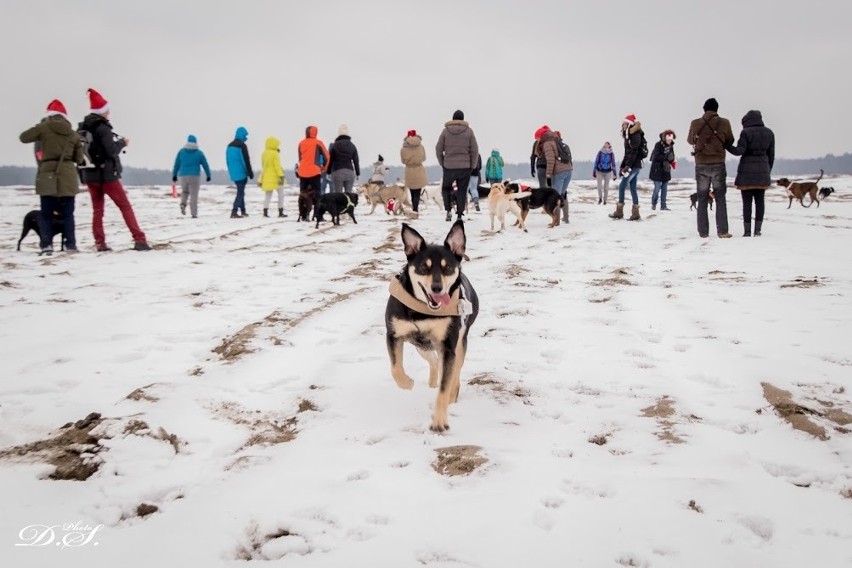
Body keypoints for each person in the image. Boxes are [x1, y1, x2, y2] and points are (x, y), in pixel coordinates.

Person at [78, 88, 151, 251]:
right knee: (125, 206)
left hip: (90, 175)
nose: (109, 113)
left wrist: (82, 176)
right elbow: (110, 150)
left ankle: (100, 243)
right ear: (102, 111)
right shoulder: (103, 128)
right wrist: (122, 143)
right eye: (107, 110)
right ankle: (139, 239)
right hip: (107, 175)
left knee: (97, 210)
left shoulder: (83, 128)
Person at [19, 99, 84, 255]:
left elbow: (23, 137)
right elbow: (79, 159)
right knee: (68, 214)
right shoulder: (72, 134)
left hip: (47, 172)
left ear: (49, 115)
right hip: (67, 174)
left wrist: (40, 130)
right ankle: (71, 245)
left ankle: (47, 245)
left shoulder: (43, 128)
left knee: (46, 214)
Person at [687, 98, 735, 238]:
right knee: (720, 197)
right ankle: (723, 231)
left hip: (701, 164)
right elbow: (730, 140)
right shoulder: (724, 122)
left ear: (704, 109)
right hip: (718, 163)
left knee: (702, 198)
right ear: (717, 109)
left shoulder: (695, 123)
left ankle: (703, 231)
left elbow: (690, 140)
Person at [725, 110, 775, 237]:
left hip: (746, 174)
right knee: (760, 202)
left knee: (746, 203)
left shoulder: (746, 132)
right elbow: (771, 155)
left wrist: (727, 146)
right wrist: (767, 171)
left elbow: (739, 151)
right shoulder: (769, 133)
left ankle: (747, 232)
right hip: (763, 171)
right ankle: (757, 230)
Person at [436, 109, 479, 222]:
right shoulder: (469, 131)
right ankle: (459, 214)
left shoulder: (445, 132)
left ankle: (448, 211)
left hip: (449, 166)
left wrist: (443, 163)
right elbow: (475, 150)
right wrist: (472, 165)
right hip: (465, 167)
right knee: (462, 190)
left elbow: (438, 149)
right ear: (463, 119)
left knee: (446, 188)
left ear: (453, 118)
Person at [609, 114, 645, 221]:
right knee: (633, 188)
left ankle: (619, 211)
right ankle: (635, 213)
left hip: (634, 166)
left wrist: (628, 166)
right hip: (631, 165)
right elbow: (627, 153)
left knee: (622, 186)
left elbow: (634, 152)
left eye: (625, 124)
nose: (623, 126)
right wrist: (622, 166)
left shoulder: (635, 135)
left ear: (629, 124)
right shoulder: (628, 136)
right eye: (623, 124)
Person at [171, 134, 211, 219]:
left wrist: (174, 175)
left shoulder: (181, 152)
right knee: (194, 195)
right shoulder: (199, 153)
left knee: (185, 191)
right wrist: (208, 175)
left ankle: (183, 203)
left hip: (182, 175)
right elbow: (205, 164)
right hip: (194, 176)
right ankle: (194, 213)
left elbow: (176, 164)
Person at [296, 125, 330, 222]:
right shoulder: (318, 143)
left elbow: (300, 158)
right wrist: (323, 168)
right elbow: (327, 157)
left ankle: (304, 215)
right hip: (315, 172)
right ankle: (318, 215)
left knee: (304, 194)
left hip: (302, 172)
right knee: (317, 194)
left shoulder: (301, 143)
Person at [538, 129, 572, 223]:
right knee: (562, 195)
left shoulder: (548, 144)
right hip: (568, 171)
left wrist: (548, 174)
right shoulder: (558, 142)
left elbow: (550, 160)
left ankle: (556, 221)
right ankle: (565, 218)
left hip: (559, 172)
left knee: (555, 196)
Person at [226, 126, 253, 218]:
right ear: (242, 135)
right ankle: (234, 211)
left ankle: (243, 211)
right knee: (240, 192)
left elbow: (228, 161)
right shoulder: (242, 145)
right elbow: (245, 160)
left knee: (241, 191)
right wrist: (250, 172)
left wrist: (230, 171)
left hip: (233, 173)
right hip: (241, 173)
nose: (246, 137)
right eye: (245, 135)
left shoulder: (229, 146)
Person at [400, 129, 427, 220]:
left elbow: (403, 161)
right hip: (419, 169)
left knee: (412, 192)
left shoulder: (403, 149)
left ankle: (414, 209)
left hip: (409, 170)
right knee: (418, 192)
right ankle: (415, 209)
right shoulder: (421, 147)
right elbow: (424, 158)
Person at [258, 136, 287, 218]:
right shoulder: (275, 154)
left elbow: (263, 166)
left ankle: (265, 212)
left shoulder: (264, 153)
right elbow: (277, 166)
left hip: (267, 177)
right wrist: (281, 176)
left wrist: (261, 178)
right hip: (276, 178)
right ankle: (280, 212)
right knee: (281, 195)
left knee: (268, 196)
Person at [649, 129, 677, 211]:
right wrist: (666, 158)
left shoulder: (671, 146)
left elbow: (672, 156)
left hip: (666, 170)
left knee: (664, 189)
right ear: (665, 138)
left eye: (671, 140)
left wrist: (672, 160)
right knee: (657, 188)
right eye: (668, 140)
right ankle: (654, 203)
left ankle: (663, 206)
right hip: (656, 170)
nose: (669, 141)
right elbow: (656, 156)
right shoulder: (658, 145)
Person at [328, 124, 360, 194]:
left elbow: (330, 160)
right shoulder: (352, 145)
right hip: (349, 172)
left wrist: (328, 172)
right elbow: (356, 160)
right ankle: (348, 204)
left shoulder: (335, 145)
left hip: (337, 171)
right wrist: (357, 173)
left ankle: (339, 205)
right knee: (348, 195)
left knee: (338, 195)